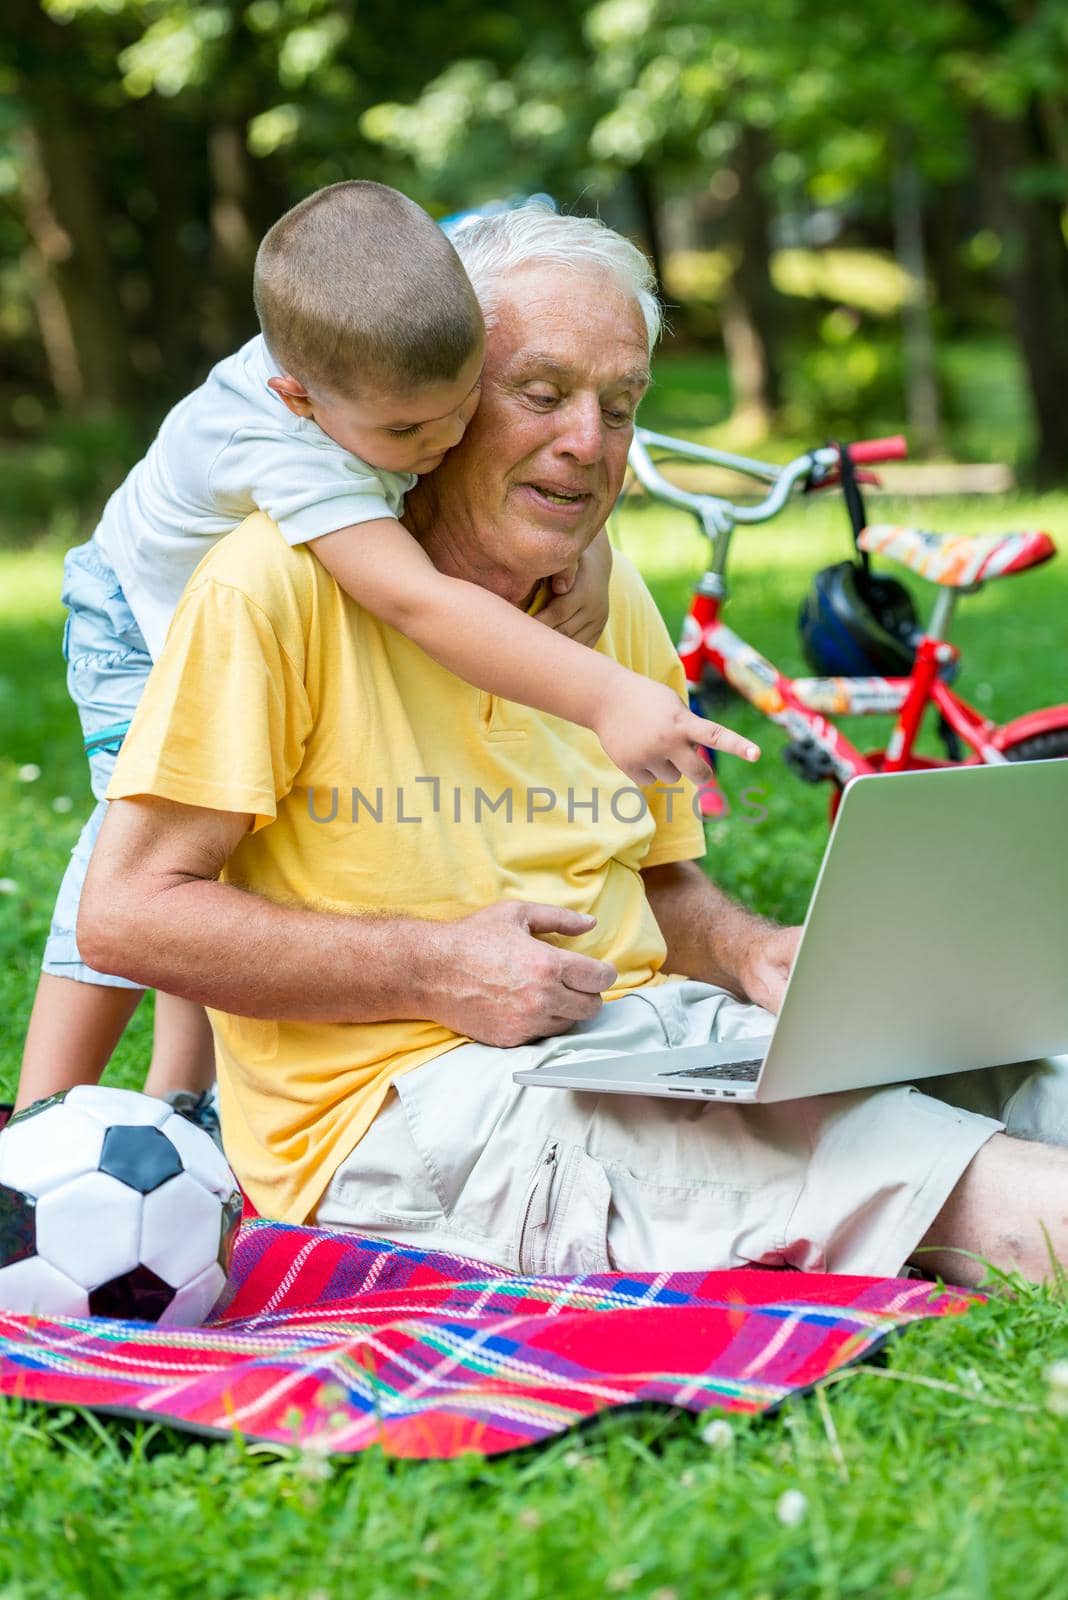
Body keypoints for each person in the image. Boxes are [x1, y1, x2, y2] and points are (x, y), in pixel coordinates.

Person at [77, 206, 1068, 1287]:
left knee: (1032, 1050)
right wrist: (433, 966)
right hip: (412, 1111)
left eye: (621, 404)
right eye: (541, 394)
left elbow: (655, 878)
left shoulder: (607, 592)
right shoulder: (271, 587)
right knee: (920, 1167)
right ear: (448, 400)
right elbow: (128, 913)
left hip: (654, 1039)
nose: (588, 443)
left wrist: (750, 954)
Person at [16, 184, 755, 1120]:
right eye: (413, 435)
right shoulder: (295, 447)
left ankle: (181, 1095)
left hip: (227, 602)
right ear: (298, 396)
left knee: (237, 832)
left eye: (457, 415)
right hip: (136, 612)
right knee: (140, 841)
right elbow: (416, 600)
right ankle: (40, 1122)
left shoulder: (383, 342)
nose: (438, 448)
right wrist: (606, 693)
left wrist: (592, 546)